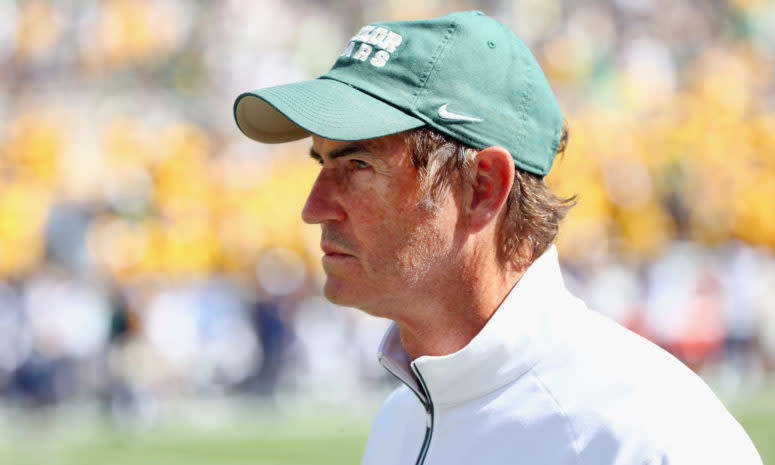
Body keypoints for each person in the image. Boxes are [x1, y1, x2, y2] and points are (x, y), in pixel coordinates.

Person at [233, 11, 762, 465]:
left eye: (358, 164)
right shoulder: (400, 423)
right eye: (321, 163)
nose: (313, 208)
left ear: (483, 187)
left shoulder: (646, 438)